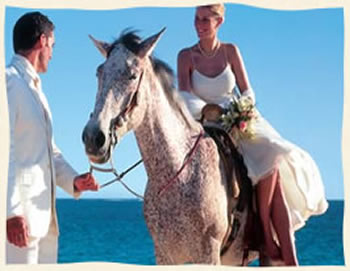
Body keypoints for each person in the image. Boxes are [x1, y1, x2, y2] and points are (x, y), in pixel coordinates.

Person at [177, 4, 328, 266]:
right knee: (270, 174)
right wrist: (208, 111)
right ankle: (273, 245)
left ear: (219, 21)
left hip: (238, 119)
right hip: (204, 122)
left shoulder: (231, 51)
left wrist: (239, 110)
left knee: (272, 155)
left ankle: (274, 244)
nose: (199, 24)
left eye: (205, 20)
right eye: (196, 19)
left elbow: (248, 91)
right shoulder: (186, 56)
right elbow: (185, 95)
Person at [6, 11, 100, 264]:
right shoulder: (9, 82)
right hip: (18, 225)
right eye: (53, 45)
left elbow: (49, 151)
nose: (52, 53)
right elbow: (5, 151)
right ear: (42, 41)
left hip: (43, 222)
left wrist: (74, 181)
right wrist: (11, 212)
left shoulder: (36, 90)